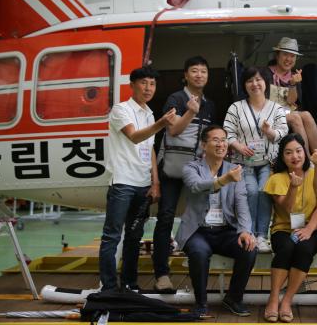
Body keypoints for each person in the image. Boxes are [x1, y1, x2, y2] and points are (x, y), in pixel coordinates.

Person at [99, 66, 176, 291]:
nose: (148, 88)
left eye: (152, 84)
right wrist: (161, 124)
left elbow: (149, 148)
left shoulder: (149, 113)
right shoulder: (120, 109)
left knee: (134, 237)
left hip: (143, 185)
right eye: (143, 83)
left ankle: (129, 284)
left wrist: (155, 182)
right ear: (132, 85)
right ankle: (109, 288)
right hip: (122, 182)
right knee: (112, 237)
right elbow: (134, 137)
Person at [177, 125, 257, 317]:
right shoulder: (191, 168)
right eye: (215, 140)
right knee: (199, 252)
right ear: (204, 145)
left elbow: (242, 204)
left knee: (249, 248)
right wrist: (224, 180)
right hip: (198, 230)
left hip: (225, 230)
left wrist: (245, 230)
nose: (221, 144)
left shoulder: (234, 170)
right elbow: (196, 186)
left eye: (223, 140)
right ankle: (201, 303)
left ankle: (233, 298)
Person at [152, 56, 215, 291]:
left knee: (201, 216)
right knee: (165, 217)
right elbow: (174, 131)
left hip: (197, 169)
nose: (199, 75)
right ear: (186, 75)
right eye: (194, 71)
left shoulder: (210, 104)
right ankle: (162, 274)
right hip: (172, 168)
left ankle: (197, 268)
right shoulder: (176, 99)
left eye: (203, 71)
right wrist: (190, 112)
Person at [224, 67, 288, 252]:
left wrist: (270, 132)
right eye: (250, 80)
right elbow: (227, 133)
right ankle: (249, 233)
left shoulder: (276, 108)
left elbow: (283, 132)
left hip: (268, 162)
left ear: (266, 83)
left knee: (264, 191)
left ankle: (262, 236)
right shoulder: (236, 108)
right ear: (245, 85)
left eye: (259, 79)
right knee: (251, 192)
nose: (255, 84)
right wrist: (238, 146)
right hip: (244, 162)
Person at [263, 133, 317, 323]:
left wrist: (309, 229)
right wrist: (293, 187)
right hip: (283, 228)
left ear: (305, 152)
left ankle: (287, 301)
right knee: (287, 247)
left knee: (304, 249)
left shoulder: (315, 174)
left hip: (311, 228)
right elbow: (287, 208)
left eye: (298, 151)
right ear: (282, 157)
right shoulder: (276, 178)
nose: (295, 156)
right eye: (288, 153)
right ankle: (274, 298)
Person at [268, 37, 317, 154]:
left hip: (286, 112)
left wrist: (293, 84)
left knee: (306, 115)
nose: (289, 59)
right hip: (269, 114)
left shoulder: (295, 77)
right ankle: (306, 158)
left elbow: (291, 102)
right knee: (295, 117)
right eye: (285, 54)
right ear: (277, 55)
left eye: (292, 56)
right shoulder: (265, 73)